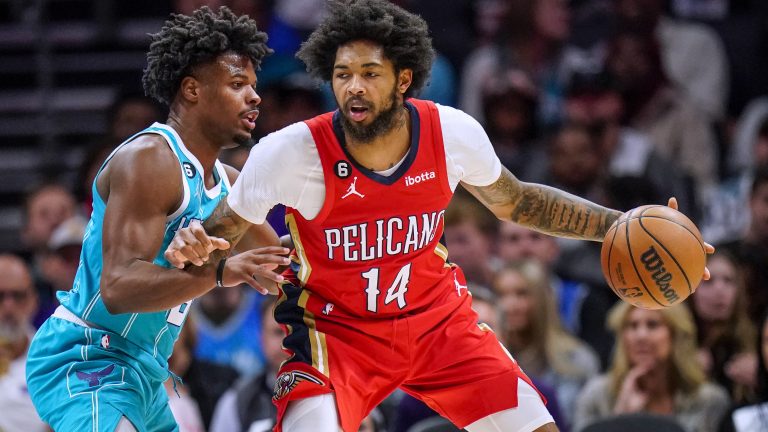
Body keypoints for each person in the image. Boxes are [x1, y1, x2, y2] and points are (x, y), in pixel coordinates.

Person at [165, 1, 712, 431]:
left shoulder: (452, 133)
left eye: (370, 73)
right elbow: (223, 230)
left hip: (438, 325)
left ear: (403, 80)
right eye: (342, 73)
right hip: (338, 339)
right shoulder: (288, 154)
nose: (353, 86)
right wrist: (195, 243)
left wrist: (616, 224)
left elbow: (517, 201)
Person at [24, 7, 288, 432]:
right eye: (238, 84)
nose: (255, 97)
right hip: (88, 355)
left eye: (254, 86)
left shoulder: (230, 184)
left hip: (146, 371)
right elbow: (118, 289)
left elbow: (284, 269)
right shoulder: (149, 159)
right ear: (192, 90)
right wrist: (218, 272)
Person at [573, 302, 730, 432]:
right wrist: (622, 419)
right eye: (632, 326)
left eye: (653, 325)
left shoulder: (710, 401)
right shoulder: (597, 396)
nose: (641, 336)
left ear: (675, 335)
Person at [690, 250, 757, 404]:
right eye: (708, 281)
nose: (719, 290)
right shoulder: (670, 336)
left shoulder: (757, 339)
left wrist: (761, 377)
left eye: (728, 281)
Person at [0, 254, 48, 432]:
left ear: (34, 300)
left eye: (18, 296)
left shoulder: (55, 361)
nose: (9, 307)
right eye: (0, 296)